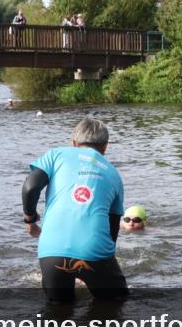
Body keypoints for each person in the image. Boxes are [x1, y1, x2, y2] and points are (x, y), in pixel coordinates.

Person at [22, 118, 128, 303]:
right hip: (95, 251)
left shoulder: (56, 155)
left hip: (51, 251)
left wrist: (30, 220)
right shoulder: (114, 174)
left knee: (58, 312)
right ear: (105, 147)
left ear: (73, 143)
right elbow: (112, 229)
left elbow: (30, 188)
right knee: (116, 306)